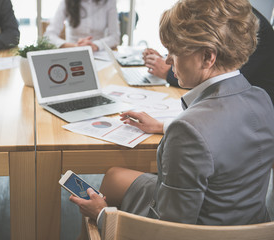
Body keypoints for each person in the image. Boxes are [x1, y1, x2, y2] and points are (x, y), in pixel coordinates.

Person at [70, 0, 274, 231]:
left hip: (200, 232)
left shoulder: (188, 131)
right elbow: (220, 135)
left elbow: (169, 231)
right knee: (115, 177)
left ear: (208, 57)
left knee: (95, 207)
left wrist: (101, 215)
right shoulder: (261, 99)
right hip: (247, 224)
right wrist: (163, 126)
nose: (167, 60)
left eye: (174, 52)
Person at [142, 7, 274, 104]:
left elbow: (224, 75)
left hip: (243, 106)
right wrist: (173, 54)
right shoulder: (226, 14)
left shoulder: (245, 26)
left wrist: (168, 72)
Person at [44, 0, 120, 52]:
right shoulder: (66, 2)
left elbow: (115, 36)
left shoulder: (109, 2)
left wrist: (96, 45)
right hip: (72, 52)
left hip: (99, 54)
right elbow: (49, 36)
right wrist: (74, 46)